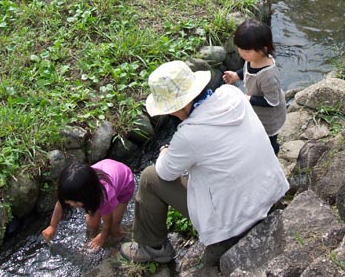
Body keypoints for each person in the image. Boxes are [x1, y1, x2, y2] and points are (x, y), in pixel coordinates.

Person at [120, 61, 289, 266]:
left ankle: (153, 248)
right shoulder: (231, 94)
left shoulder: (189, 135)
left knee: (149, 177)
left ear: (179, 106)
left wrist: (165, 152)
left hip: (234, 222)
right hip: (271, 192)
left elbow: (164, 173)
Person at [222, 19, 286, 154]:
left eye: (247, 51)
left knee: (269, 141)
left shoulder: (268, 75)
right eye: (240, 49)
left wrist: (247, 98)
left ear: (264, 49)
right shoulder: (253, 60)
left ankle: (273, 155)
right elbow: (247, 71)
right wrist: (236, 76)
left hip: (269, 117)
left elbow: (272, 101)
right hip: (257, 112)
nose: (242, 53)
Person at [42, 159, 135, 251]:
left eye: (77, 202)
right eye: (69, 202)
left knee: (113, 228)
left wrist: (102, 236)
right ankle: (93, 241)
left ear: (88, 196)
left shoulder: (105, 197)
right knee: (91, 224)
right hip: (108, 170)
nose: (73, 205)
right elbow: (60, 205)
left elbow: (108, 220)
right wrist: (53, 226)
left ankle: (121, 243)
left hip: (125, 184)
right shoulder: (73, 188)